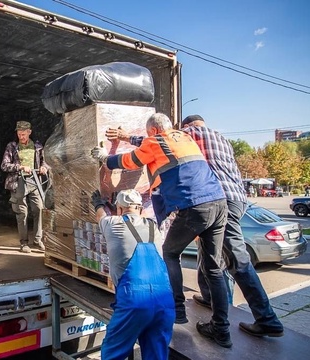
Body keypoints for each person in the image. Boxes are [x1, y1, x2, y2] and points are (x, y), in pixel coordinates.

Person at [94, 113, 231, 348]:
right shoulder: (184, 137)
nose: (147, 139)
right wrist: (130, 136)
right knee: (214, 268)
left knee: (170, 253)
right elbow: (147, 144)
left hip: (195, 205)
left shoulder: (154, 141)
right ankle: (222, 329)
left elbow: (130, 161)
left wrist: (106, 158)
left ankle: (177, 310)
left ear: (154, 132)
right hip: (219, 203)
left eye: (149, 136)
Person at [181, 114, 284, 338]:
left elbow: (165, 140)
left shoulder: (195, 133)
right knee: (207, 248)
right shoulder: (222, 139)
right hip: (236, 199)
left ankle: (267, 319)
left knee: (238, 260)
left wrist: (128, 137)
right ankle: (209, 296)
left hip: (222, 200)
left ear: (188, 126)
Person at [91, 188, 174, 360]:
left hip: (134, 302)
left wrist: (98, 204)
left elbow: (101, 217)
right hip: (165, 302)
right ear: (140, 209)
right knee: (157, 355)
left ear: (119, 209)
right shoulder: (154, 227)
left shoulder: (113, 224)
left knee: (113, 353)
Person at [1, 121, 49, 253]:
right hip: (18, 181)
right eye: (19, 134)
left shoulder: (38, 146)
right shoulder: (12, 146)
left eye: (23, 134)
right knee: (22, 213)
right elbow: (4, 165)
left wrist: (44, 167)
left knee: (39, 209)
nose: (21, 136)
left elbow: (46, 161)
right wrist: (20, 167)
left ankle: (38, 239)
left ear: (29, 132)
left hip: (34, 181)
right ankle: (24, 243)